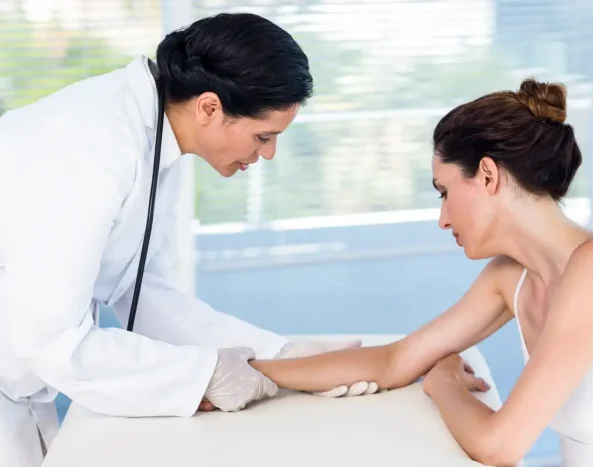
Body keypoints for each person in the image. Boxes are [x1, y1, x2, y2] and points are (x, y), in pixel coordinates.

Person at [243, 79, 593, 466]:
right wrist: (253, 374)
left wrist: (443, 383)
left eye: (444, 191)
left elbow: (501, 445)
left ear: (487, 175)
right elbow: (395, 361)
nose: (442, 218)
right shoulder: (512, 278)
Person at [0, 13, 375, 467]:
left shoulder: (158, 139)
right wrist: (206, 374)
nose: (269, 154)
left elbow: (142, 292)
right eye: (264, 136)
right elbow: (54, 338)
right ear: (210, 108)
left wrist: (278, 354)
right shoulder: (92, 146)